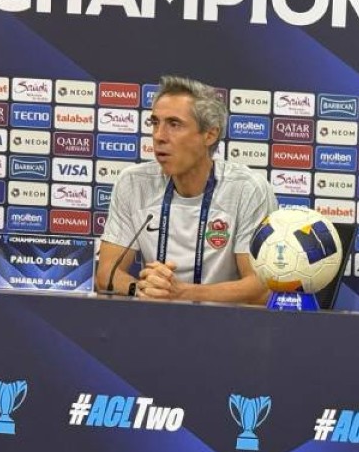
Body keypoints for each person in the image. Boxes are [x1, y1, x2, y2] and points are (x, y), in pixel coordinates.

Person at [96, 75, 277, 304]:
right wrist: (141, 288)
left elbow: (260, 287)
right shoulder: (133, 183)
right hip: (153, 319)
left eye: (174, 124)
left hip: (226, 321)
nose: (159, 136)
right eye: (155, 123)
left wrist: (183, 293)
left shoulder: (246, 189)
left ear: (209, 134)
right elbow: (106, 274)